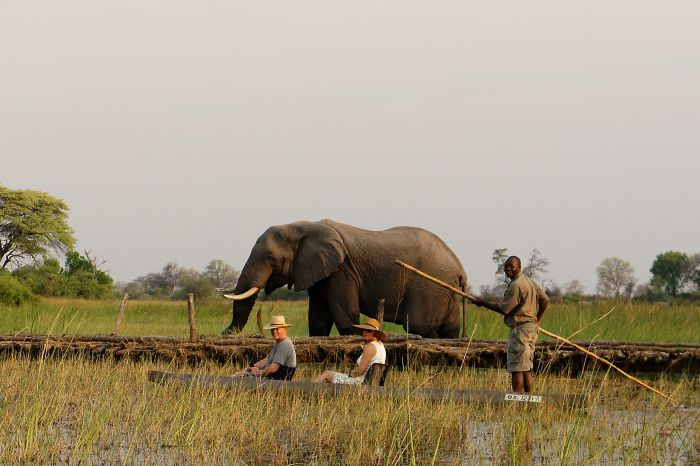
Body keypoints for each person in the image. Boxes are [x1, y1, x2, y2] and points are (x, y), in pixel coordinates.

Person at [470, 256, 549, 393]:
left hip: (520, 330)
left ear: (519, 267)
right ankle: (528, 400)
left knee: (517, 368)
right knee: (526, 367)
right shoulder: (530, 282)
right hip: (531, 329)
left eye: (511, 266)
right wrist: (537, 318)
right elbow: (545, 299)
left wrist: (482, 303)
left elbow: (504, 309)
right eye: (506, 266)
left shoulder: (516, 285)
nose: (507, 269)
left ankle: (517, 401)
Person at [317, 317, 387, 384]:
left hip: (360, 382)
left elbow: (360, 370)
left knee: (327, 374)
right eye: (363, 329)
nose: (364, 332)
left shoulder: (369, 346)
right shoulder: (381, 346)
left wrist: (349, 375)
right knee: (332, 377)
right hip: (371, 382)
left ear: (375, 333)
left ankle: (308, 389)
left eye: (368, 330)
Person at [232, 315, 297, 380]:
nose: (274, 331)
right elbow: (266, 360)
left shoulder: (284, 345)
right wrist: (250, 368)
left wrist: (259, 373)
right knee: (238, 375)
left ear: (284, 329)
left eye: (277, 329)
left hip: (276, 382)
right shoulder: (279, 343)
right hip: (271, 379)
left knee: (238, 378)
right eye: (272, 329)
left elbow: (273, 368)